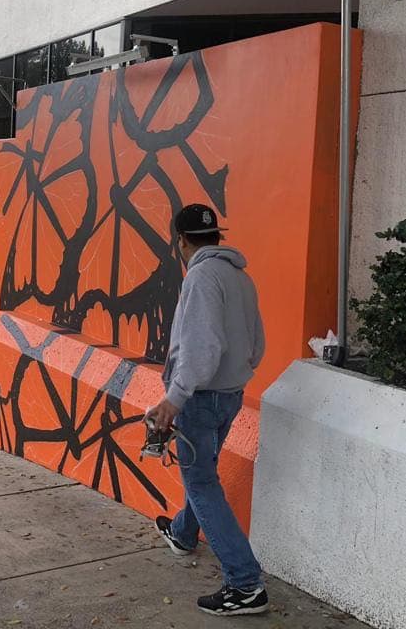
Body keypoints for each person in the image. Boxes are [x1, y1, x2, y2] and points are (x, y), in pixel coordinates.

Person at [145, 203, 267, 617]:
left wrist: (174, 398)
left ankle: (245, 584)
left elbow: (202, 346)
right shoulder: (241, 277)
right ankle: (183, 533)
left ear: (181, 241)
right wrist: (236, 375)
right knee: (202, 472)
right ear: (217, 235)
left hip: (200, 397)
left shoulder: (200, 277)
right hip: (230, 394)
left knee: (200, 482)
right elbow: (257, 345)